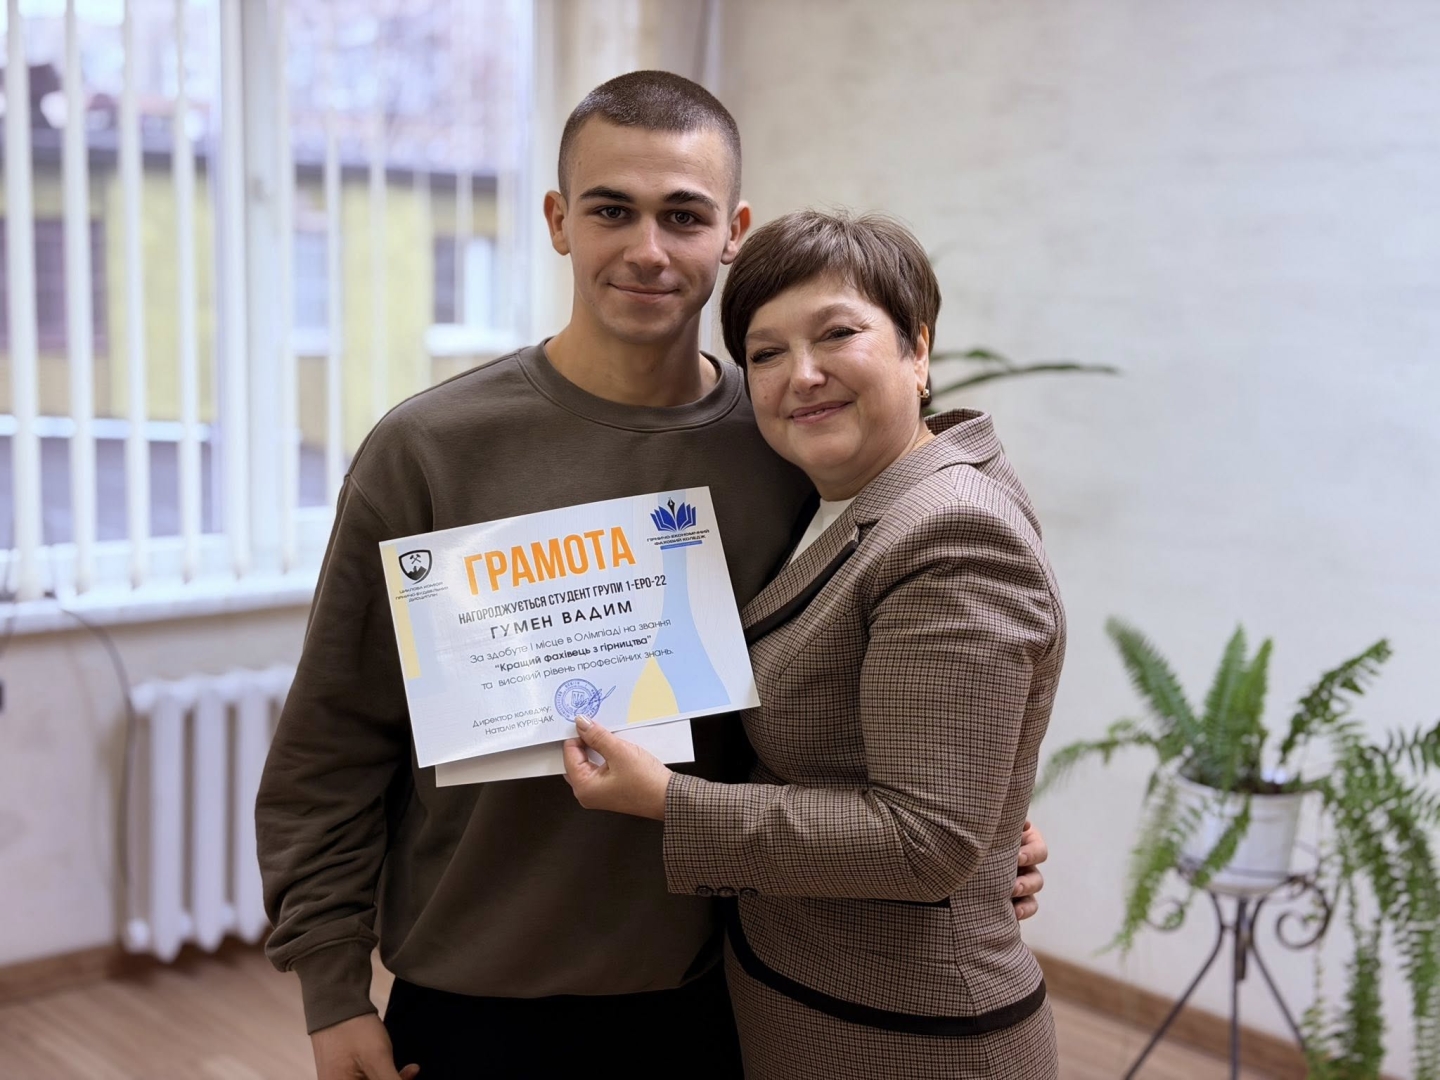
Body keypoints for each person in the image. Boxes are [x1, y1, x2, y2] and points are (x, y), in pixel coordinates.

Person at [256, 71, 1048, 1080]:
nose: (647, 249)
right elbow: (332, 742)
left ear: (732, 232)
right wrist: (331, 988)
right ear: (558, 221)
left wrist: (979, 828)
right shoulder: (430, 450)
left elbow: (867, 697)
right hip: (475, 996)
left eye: (683, 215)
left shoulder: (790, 444)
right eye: (610, 211)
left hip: (723, 995)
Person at [562, 209, 1064, 1079]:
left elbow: (924, 840)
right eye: (766, 353)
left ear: (917, 348)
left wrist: (670, 802)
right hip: (808, 998)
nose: (802, 375)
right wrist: (983, 828)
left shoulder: (951, 533)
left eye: (837, 334)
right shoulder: (838, 499)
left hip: (905, 1038)